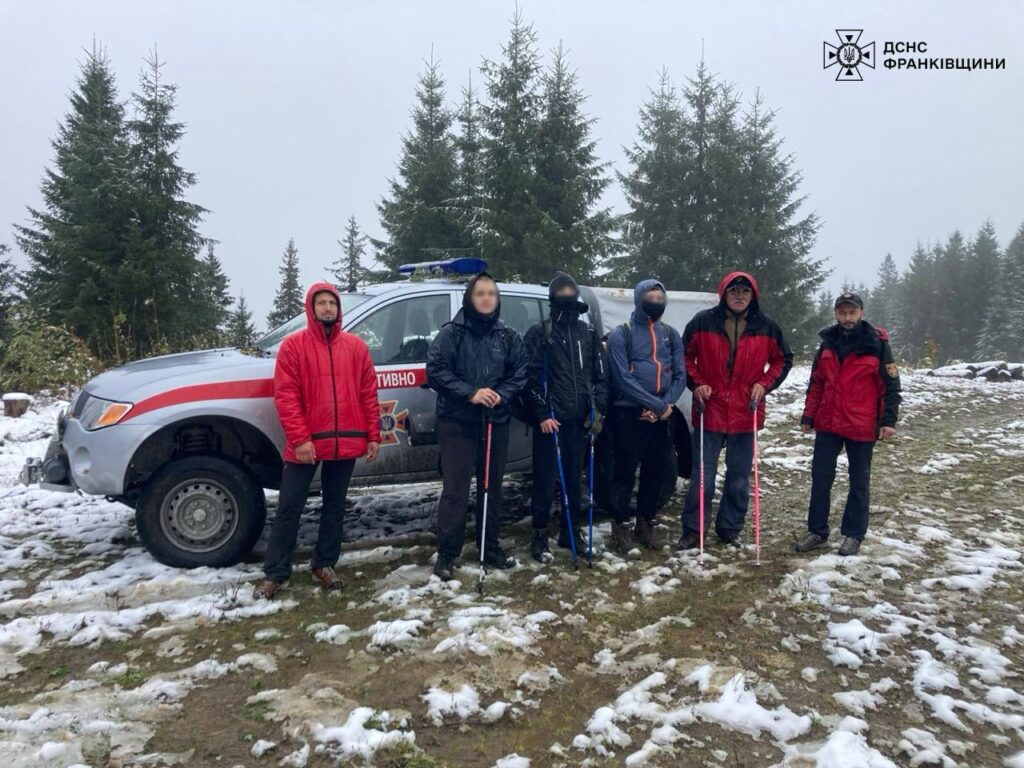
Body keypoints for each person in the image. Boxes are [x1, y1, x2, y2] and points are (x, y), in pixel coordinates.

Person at [256, 282, 380, 599]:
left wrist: (373, 435)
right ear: (310, 309)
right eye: (321, 303)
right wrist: (299, 438)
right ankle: (276, 573)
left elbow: (368, 394)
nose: (327, 308)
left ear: (338, 309)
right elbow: (286, 397)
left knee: (335, 507)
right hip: (307, 444)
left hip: (347, 441)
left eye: (332, 303)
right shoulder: (293, 346)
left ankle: (324, 564)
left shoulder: (356, 348)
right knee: (289, 507)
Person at [678, 271, 792, 551]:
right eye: (733, 291)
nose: (739, 296)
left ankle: (730, 527)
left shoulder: (767, 326)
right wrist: (698, 383)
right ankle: (694, 530)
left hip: (746, 411)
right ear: (723, 294)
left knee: (739, 477)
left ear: (753, 296)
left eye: (744, 292)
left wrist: (764, 384)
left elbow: (782, 359)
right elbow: (683, 356)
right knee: (702, 475)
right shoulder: (703, 321)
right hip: (710, 409)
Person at [425, 273, 529, 580]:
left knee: (491, 488)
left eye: (491, 294)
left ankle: (489, 545)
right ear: (470, 297)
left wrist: (502, 395)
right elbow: (436, 371)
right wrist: (470, 393)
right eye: (480, 293)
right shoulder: (451, 334)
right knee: (455, 491)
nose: (486, 298)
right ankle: (447, 553)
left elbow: (520, 371)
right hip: (457, 422)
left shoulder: (508, 336)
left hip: (495, 421)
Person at [795, 291, 902, 556]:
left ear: (861, 313)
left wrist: (888, 421)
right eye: (842, 312)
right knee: (820, 479)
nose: (847, 317)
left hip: (861, 425)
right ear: (836, 314)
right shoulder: (827, 344)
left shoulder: (877, 344)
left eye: (852, 312)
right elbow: (816, 383)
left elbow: (891, 386)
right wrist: (809, 415)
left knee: (859, 481)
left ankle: (854, 534)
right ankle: (817, 531)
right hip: (828, 423)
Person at [523, 272, 609, 562]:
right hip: (551, 422)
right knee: (545, 481)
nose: (567, 294)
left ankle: (570, 530)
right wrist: (541, 414)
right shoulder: (541, 333)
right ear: (552, 296)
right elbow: (529, 380)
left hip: (580, 421)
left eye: (571, 289)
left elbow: (600, 378)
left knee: (575, 480)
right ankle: (538, 535)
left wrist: (598, 408)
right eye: (561, 289)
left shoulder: (589, 335)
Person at [605, 279, 686, 553]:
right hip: (629, 413)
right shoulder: (621, 334)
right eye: (650, 297)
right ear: (639, 300)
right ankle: (620, 527)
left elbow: (680, 374)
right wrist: (654, 404)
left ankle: (645, 524)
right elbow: (621, 378)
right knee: (624, 472)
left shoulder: (672, 335)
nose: (656, 302)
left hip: (662, 416)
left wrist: (665, 405)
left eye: (660, 297)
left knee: (656, 471)